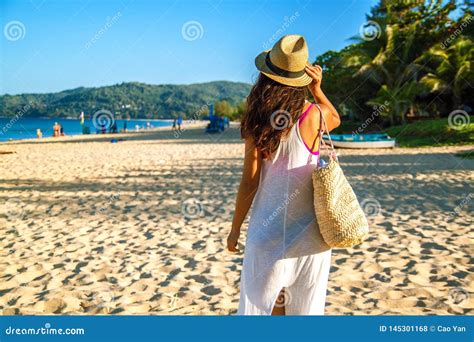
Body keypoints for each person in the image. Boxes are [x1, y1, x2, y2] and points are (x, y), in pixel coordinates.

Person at [227, 35, 341, 315]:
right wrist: (317, 89)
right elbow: (335, 118)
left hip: (268, 238)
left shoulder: (258, 121)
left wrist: (235, 229)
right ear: (301, 77)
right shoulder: (313, 115)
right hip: (312, 242)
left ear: (266, 77)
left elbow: (249, 182)